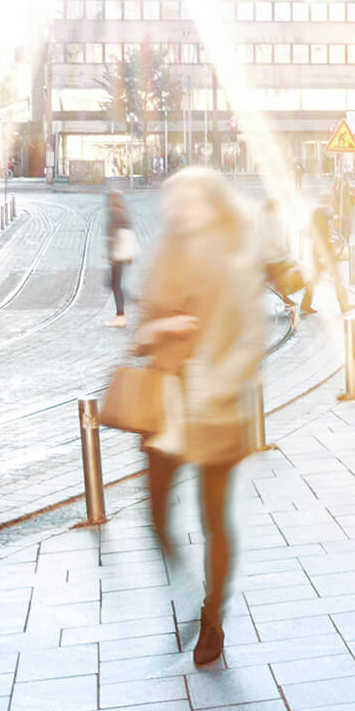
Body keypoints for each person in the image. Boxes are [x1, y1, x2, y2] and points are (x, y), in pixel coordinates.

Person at [133, 168, 265, 665]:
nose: (179, 206)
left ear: (213, 201)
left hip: (218, 409)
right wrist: (163, 324)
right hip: (165, 405)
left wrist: (219, 383)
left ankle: (212, 619)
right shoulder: (166, 250)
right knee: (156, 519)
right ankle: (190, 593)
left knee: (214, 521)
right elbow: (142, 328)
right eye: (174, 197)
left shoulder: (236, 252)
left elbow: (252, 339)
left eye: (190, 197)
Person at [299, 204, 350, 316]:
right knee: (335, 279)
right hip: (324, 254)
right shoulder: (322, 220)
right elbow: (324, 237)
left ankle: (306, 303)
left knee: (319, 278)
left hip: (322, 254)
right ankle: (344, 305)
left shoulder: (318, 220)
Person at [106, 191, 136, 327]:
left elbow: (114, 236)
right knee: (113, 284)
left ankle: (120, 315)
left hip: (117, 255)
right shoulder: (123, 213)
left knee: (114, 285)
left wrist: (112, 254)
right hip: (121, 255)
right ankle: (123, 311)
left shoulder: (114, 214)